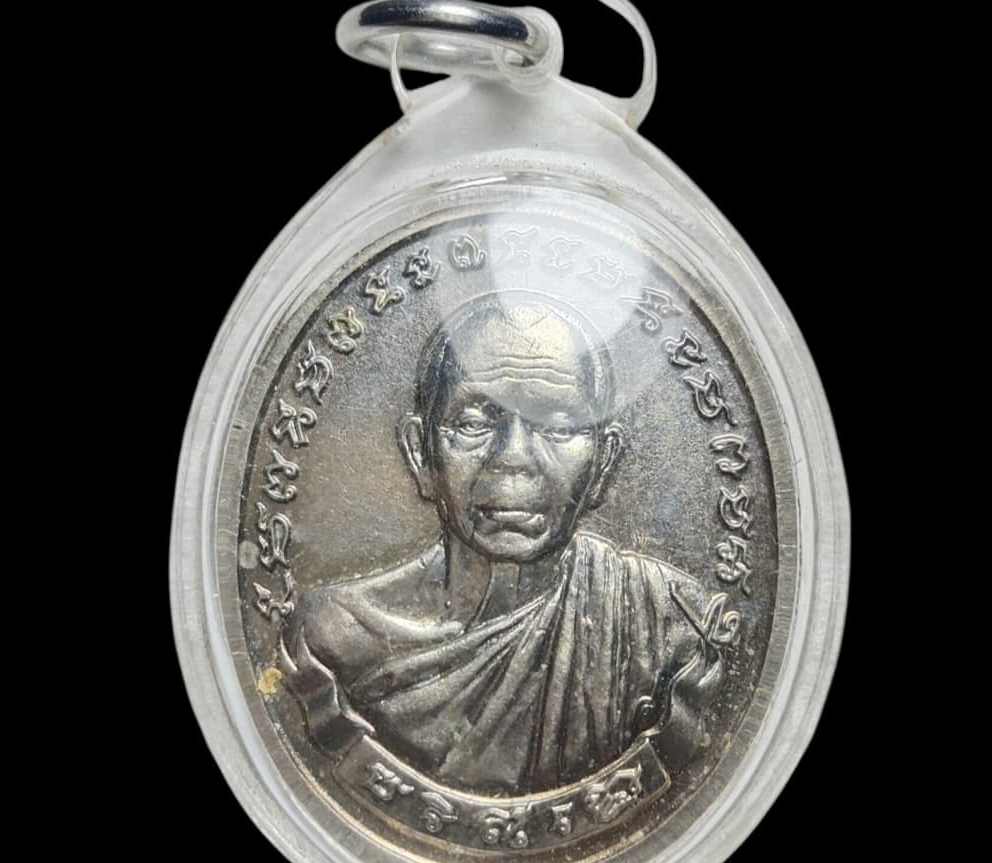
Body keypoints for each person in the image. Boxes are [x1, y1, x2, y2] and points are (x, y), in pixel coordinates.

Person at [280, 293, 731, 797]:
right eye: (474, 423)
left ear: (603, 464)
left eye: (556, 426)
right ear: (420, 453)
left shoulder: (670, 624)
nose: (513, 457)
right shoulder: (334, 639)